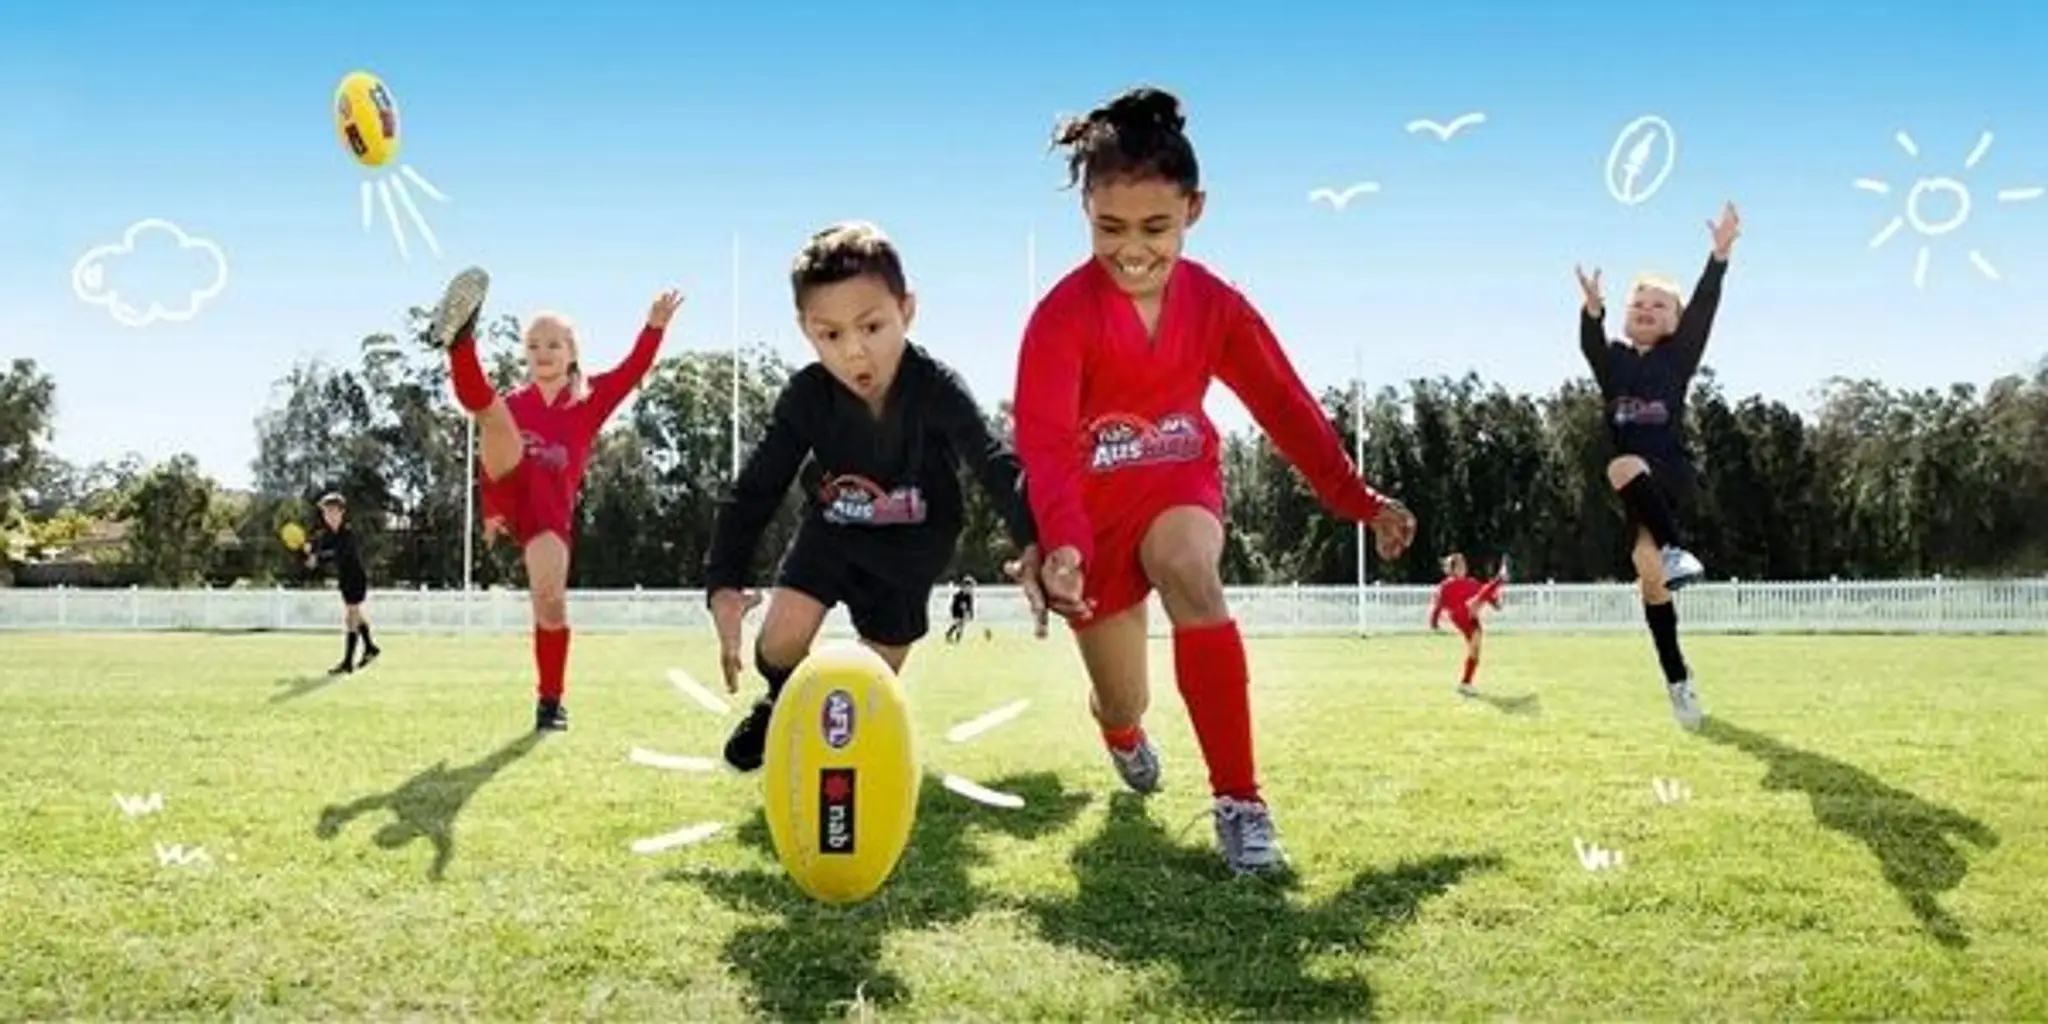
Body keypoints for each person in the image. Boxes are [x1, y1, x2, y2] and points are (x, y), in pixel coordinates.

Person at [1010, 86, 1417, 876]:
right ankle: (1120, 731)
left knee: (1192, 573)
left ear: (1195, 210)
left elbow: (1287, 407)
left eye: (1156, 228)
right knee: (1125, 700)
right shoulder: (1060, 318)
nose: (1134, 249)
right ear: (1086, 212)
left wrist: (1356, 499)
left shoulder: (1218, 308)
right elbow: (1047, 444)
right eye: (1110, 228)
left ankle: (1241, 805)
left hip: (1178, 484)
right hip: (1089, 527)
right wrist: (1061, 543)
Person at [705, 221, 1042, 772]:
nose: (854, 351)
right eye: (829, 335)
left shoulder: (937, 388)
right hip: (833, 531)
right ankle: (778, 707)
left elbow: (993, 461)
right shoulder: (807, 397)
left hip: (911, 550)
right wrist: (722, 582)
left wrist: (1034, 539)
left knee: (866, 696)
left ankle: (838, 751)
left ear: (906, 310)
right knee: (776, 647)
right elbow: (756, 489)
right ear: (806, 331)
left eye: (872, 326)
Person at [427, 266, 680, 732]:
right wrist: (493, 512)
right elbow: (483, 410)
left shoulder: (591, 397)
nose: (542, 353)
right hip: (506, 488)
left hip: (547, 515)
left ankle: (550, 701)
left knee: (549, 601)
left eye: (554, 344)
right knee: (491, 413)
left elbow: (633, 370)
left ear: (572, 353)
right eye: (534, 345)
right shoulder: (514, 402)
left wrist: (654, 328)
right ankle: (461, 339)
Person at [1574, 201, 1741, 730]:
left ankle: (1675, 548)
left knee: (1621, 465)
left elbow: (1705, 310)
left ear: (1674, 321)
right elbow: (1590, 345)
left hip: (1669, 475)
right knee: (1650, 582)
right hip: (1637, 495)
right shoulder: (1616, 363)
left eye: (1660, 305)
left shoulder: (1678, 358)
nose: (1647, 309)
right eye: (1639, 302)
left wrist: (1718, 256)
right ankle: (1678, 681)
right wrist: (1592, 312)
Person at [305, 492, 380, 675]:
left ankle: (347, 662)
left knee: (351, 618)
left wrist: (317, 557)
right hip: (345, 579)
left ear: (342, 512)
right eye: (325, 512)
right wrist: (311, 552)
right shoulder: (327, 535)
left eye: (332, 511)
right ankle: (370, 648)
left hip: (356, 579)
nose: (328, 515)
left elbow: (337, 553)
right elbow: (320, 549)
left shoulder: (348, 533)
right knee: (356, 615)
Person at [1428, 552, 1505, 696]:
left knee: (1475, 653)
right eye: (1459, 565)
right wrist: (1434, 622)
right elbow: (1438, 605)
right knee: (1474, 603)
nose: (1463, 568)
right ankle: (1498, 580)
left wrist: (1495, 604)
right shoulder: (1445, 586)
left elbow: (1484, 594)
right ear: (1452, 569)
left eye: (1464, 565)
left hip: (1471, 618)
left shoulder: (1471, 582)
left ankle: (1465, 683)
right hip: (1460, 615)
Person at [945, 577, 977, 644]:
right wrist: (961, 607)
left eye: (971, 587)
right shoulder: (958, 595)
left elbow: (970, 606)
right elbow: (954, 605)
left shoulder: (969, 596)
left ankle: (957, 640)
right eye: (969, 587)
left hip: (963, 612)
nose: (970, 589)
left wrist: (971, 614)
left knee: (962, 626)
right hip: (956, 610)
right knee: (957, 622)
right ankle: (948, 634)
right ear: (964, 586)